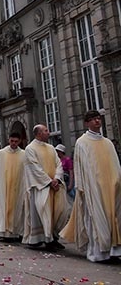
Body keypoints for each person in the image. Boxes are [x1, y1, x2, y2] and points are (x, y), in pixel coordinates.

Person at [60, 110, 121, 262]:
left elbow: (115, 165)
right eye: (93, 119)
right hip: (93, 188)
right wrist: (81, 187)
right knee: (96, 219)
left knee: (113, 218)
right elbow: (81, 166)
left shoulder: (107, 143)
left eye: (98, 119)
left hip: (110, 187)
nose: (97, 122)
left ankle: (114, 251)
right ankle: (99, 253)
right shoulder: (82, 142)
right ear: (87, 123)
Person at [22, 124, 69, 250]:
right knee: (43, 212)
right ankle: (44, 239)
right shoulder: (30, 148)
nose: (49, 132)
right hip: (41, 187)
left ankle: (53, 237)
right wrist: (48, 182)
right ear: (38, 133)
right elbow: (33, 168)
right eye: (46, 130)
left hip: (54, 186)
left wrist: (57, 179)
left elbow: (58, 164)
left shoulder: (51, 148)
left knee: (59, 212)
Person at [0, 132, 26, 241]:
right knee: (4, 207)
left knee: (18, 208)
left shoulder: (24, 154)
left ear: (20, 141)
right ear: (9, 140)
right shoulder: (1, 153)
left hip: (18, 186)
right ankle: (5, 233)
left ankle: (17, 232)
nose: (14, 143)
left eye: (16, 141)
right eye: (12, 141)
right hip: (4, 186)